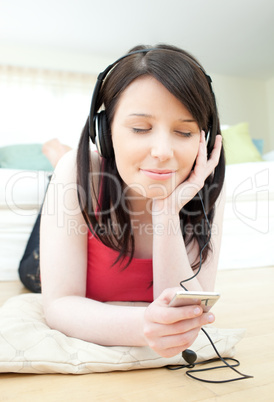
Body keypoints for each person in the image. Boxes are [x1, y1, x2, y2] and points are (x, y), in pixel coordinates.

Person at [40, 44, 225, 359]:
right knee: (64, 163)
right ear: (105, 130)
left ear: (203, 140)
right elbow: (58, 305)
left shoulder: (203, 186)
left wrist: (166, 210)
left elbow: (182, 307)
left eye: (184, 132)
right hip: (87, 191)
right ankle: (54, 153)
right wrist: (144, 324)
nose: (163, 151)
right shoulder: (78, 171)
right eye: (141, 128)